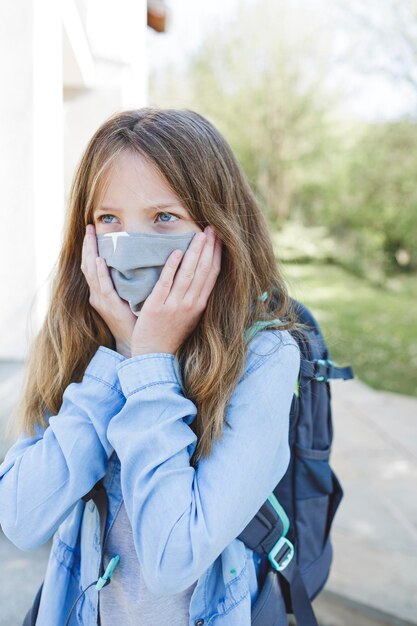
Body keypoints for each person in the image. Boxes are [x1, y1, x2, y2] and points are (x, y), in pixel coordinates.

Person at [0, 108, 304, 626]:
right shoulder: (75, 335)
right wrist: (121, 353)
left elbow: (172, 559)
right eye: (109, 220)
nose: (130, 246)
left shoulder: (266, 358)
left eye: (164, 218)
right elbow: (23, 519)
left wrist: (152, 364)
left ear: (219, 229)